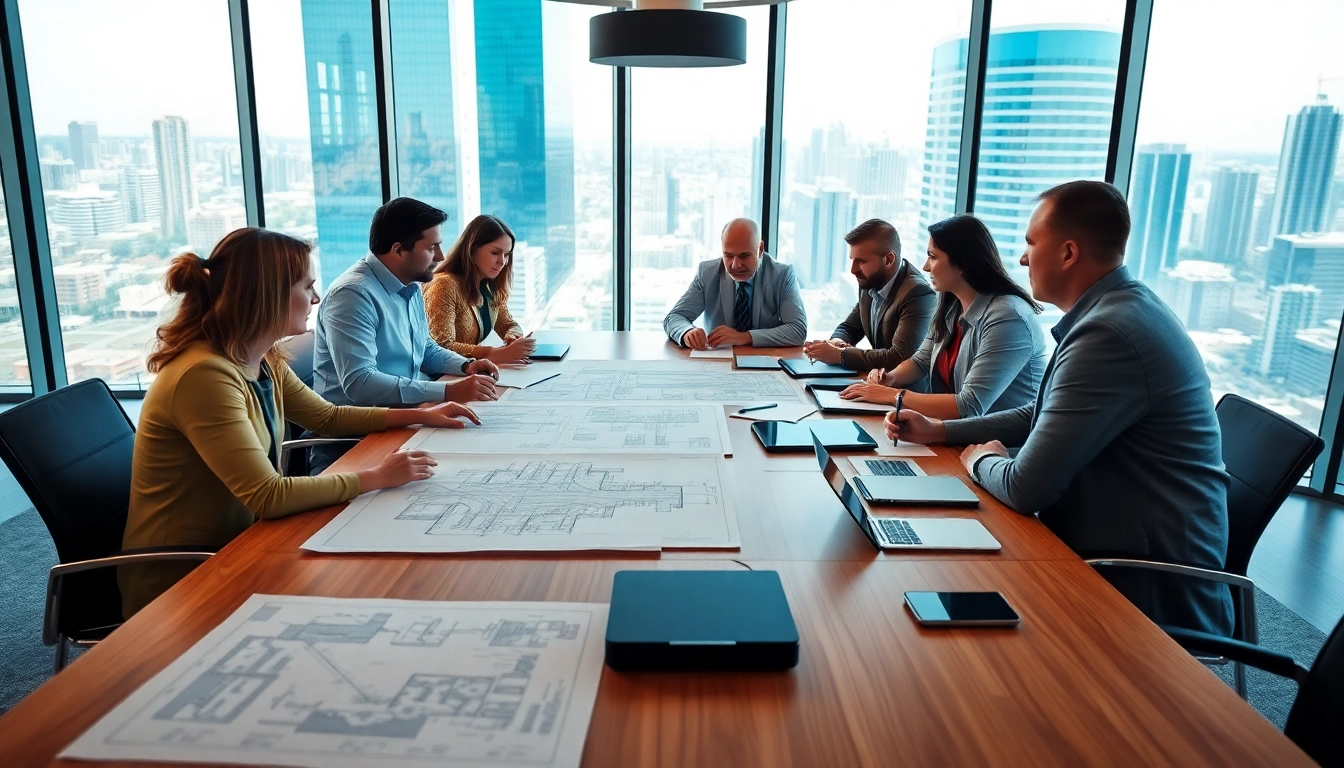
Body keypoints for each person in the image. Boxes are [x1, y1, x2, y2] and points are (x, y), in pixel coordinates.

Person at [886, 181, 1233, 635]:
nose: (1024, 258)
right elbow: (1042, 413)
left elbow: (1026, 487)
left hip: (1137, 586)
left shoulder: (1109, 334)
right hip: (1096, 542)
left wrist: (980, 456)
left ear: (1068, 253)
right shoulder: (1116, 311)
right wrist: (940, 431)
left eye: (1031, 244)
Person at [121, 229, 481, 618]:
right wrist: (376, 477)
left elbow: (325, 415)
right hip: (185, 579)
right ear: (267, 292)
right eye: (306, 286)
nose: (315, 298)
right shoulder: (204, 375)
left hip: (245, 542)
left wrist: (421, 414)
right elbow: (269, 496)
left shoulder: (259, 356)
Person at [311, 197, 500, 472]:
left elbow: (425, 348)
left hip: (405, 422)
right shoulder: (353, 295)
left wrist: (466, 365)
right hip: (354, 444)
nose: (441, 256)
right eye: (432, 247)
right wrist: (448, 390)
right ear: (398, 250)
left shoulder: (409, 285)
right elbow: (360, 384)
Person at [838, 214, 1047, 419]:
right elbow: (921, 360)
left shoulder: (1008, 318)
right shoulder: (951, 305)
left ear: (962, 264)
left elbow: (969, 404)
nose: (925, 266)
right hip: (957, 436)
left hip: (1001, 448)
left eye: (933, 256)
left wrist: (892, 396)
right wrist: (890, 378)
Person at [802, 218, 936, 371]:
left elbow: (899, 357)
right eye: (852, 260)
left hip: (904, 390)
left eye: (861, 262)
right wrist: (837, 342)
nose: (853, 270)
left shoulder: (919, 294)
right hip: (876, 381)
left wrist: (841, 355)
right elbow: (850, 327)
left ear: (888, 260)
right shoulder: (870, 280)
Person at [663, 218, 806, 349]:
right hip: (717, 364)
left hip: (765, 362)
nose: (735, 265)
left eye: (744, 256)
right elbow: (674, 318)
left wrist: (745, 337)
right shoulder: (707, 273)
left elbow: (798, 330)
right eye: (729, 256)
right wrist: (687, 332)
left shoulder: (782, 275)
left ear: (760, 249)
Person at [423, 214, 536, 363]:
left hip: (472, 372)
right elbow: (442, 347)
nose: (502, 261)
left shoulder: (488, 285)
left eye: (507, 254)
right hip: (444, 378)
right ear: (472, 250)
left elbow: (507, 324)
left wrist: (513, 337)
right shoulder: (444, 285)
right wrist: (497, 354)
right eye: (495, 253)